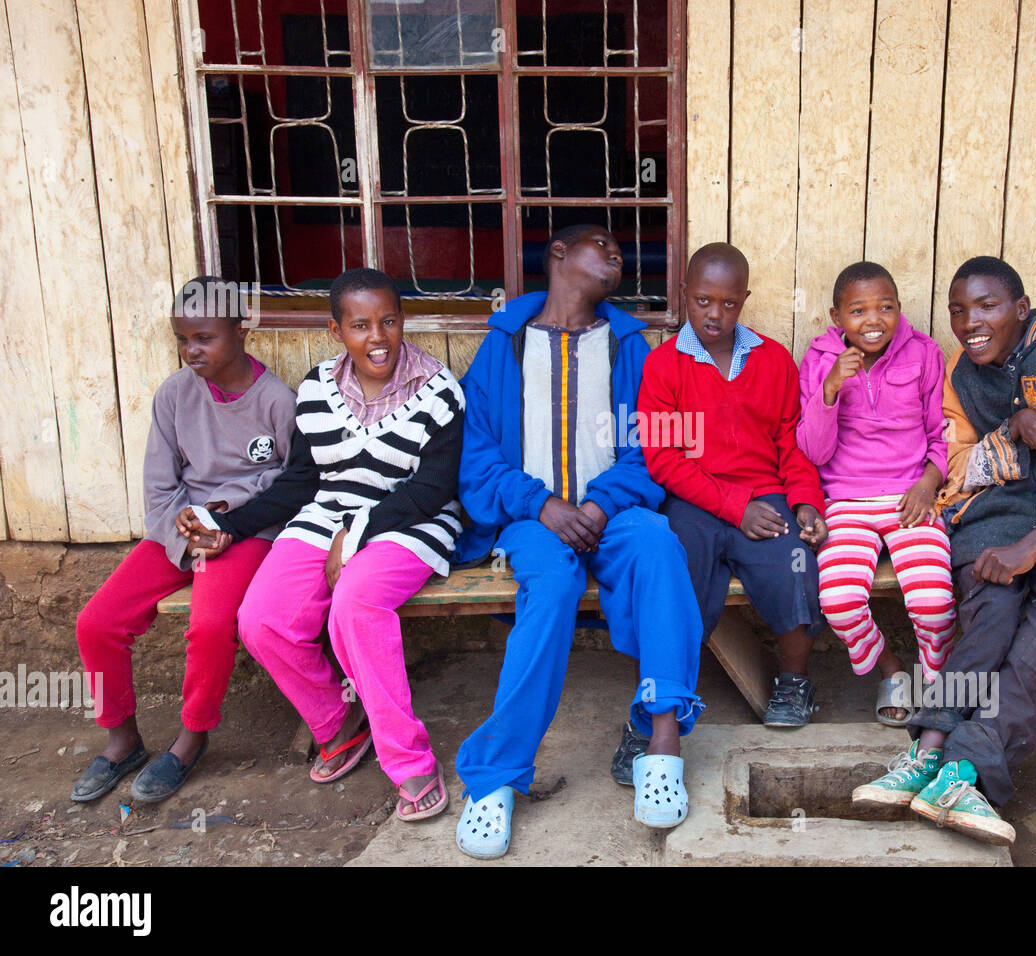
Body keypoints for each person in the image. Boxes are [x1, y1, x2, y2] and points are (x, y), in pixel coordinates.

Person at [851, 256, 1036, 847]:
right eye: (958, 310)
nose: (970, 322)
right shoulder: (960, 372)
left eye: (987, 306)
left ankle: (966, 772)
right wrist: (1010, 429)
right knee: (989, 619)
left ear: (1020, 310)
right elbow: (955, 467)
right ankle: (927, 755)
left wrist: (1034, 546)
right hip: (993, 521)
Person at [453, 223, 704, 859]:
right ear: (559, 255)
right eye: (602, 244)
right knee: (554, 583)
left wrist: (598, 501)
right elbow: (477, 458)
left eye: (620, 248)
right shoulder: (505, 346)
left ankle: (662, 742)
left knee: (658, 544)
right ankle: (497, 775)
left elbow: (653, 442)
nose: (617, 253)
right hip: (534, 521)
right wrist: (542, 504)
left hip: (611, 513)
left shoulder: (628, 346)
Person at [181, 268, 465, 822]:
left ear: (402, 321)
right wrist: (232, 528)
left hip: (410, 525)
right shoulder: (315, 390)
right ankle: (340, 722)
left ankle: (408, 760)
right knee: (261, 619)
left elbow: (434, 489)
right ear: (337, 332)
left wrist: (355, 537)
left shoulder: (439, 391)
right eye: (360, 325)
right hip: (324, 520)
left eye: (388, 321)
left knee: (356, 603)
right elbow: (301, 482)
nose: (377, 337)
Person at [72, 276, 296, 804]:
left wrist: (227, 520)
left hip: (245, 532)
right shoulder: (174, 394)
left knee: (213, 623)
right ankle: (122, 738)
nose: (191, 350)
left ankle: (192, 737)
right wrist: (184, 531)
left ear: (242, 331)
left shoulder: (276, 401)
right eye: (182, 339)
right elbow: (159, 483)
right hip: (180, 529)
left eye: (205, 337)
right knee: (97, 622)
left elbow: (290, 482)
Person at [639, 242, 827, 728]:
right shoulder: (663, 366)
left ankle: (794, 681)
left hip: (766, 499)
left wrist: (805, 501)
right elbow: (663, 460)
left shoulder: (773, 360)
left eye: (728, 302)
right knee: (679, 576)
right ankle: (666, 696)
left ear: (744, 298)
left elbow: (792, 441)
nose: (714, 314)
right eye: (702, 301)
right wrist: (732, 506)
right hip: (695, 498)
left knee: (794, 563)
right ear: (684, 293)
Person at [797, 262, 955, 726]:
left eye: (885, 308)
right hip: (845, 499)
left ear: (899, 310)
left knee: (934, 601)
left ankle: (935, 676)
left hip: (911, 496)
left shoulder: (924, 353)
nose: (873, 320)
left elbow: (942, 434)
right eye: (858, 310)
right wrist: (830, 390)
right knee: (840, 602)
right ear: (837, 316)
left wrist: (929, 482)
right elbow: (813, 449)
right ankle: (890, 669)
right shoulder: (820, 359)